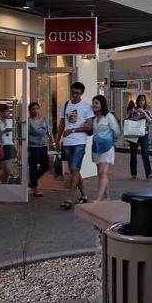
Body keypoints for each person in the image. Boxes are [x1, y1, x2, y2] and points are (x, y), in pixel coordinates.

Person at [56, 81, 93, 209]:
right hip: (67, 142)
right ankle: (84, 195)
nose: (75, 95)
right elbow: (62, 124)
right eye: (73, 92)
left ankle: (69, 198)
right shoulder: (65, 105)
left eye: (77, 93)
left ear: (82, 93)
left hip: (79, 142)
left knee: (75, 169)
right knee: (74, 169)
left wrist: (72, 130)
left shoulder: (87, 107)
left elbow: (88, 127)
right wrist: (57, 140)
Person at [89, 95, 121, 202]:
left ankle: (97, 199)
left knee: (102, 173)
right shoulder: (94, 119)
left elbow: (116, 131)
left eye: (96, 103)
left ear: (102, 104)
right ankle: (107, 197)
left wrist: (111, 141)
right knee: (102, 174)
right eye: (93, 103)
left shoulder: (108, 117)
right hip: (96, 148)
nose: (94, 105)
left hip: (107, 148)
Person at [26, 102, 54, 197]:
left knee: (45, 165)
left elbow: (49, 132)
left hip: (43, 145)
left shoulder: (44, 119)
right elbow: (26, 135)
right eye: (33, 109)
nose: (35, 111)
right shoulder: (29, 121)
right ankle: (35, 187)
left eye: (37, 108)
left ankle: (32, 180)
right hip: (33, 146)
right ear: (30, 110)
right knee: (33, 166)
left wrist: (53, 143)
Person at [127, 93, 152, 180]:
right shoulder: (133, 110)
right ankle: (133, 173)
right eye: (140, 100)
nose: (141, 102)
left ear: (145, 101)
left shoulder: (147, 111)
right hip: (134, 133)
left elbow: (149, 121)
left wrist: (144, 113)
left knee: (145, 153)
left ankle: (148, 173)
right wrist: (133, 118)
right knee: (133, 153)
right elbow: (127, 120)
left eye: (143, 100)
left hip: (144, 134)